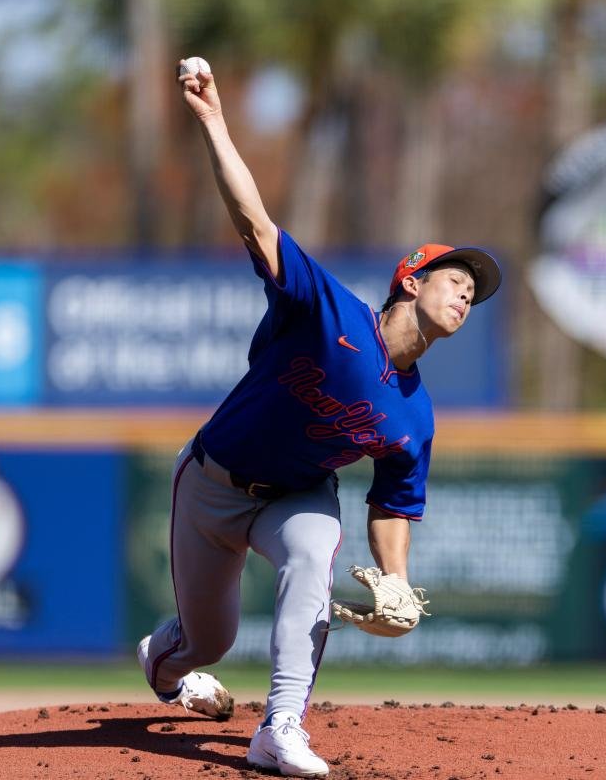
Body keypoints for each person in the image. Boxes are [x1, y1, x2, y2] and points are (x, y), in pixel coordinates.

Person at [135, 59, 502, 778]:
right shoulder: (330, 310)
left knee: (315, 551)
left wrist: (397, 578)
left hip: (297, 496)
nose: (465, 296)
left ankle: (280, 724)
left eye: (472, 295)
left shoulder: (415, 413)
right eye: (455, 281)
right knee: (206, 643)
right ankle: (163, 660)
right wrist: (213, 120)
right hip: (212, 483)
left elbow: (394, 497)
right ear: (410, 278)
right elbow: (255, 223)